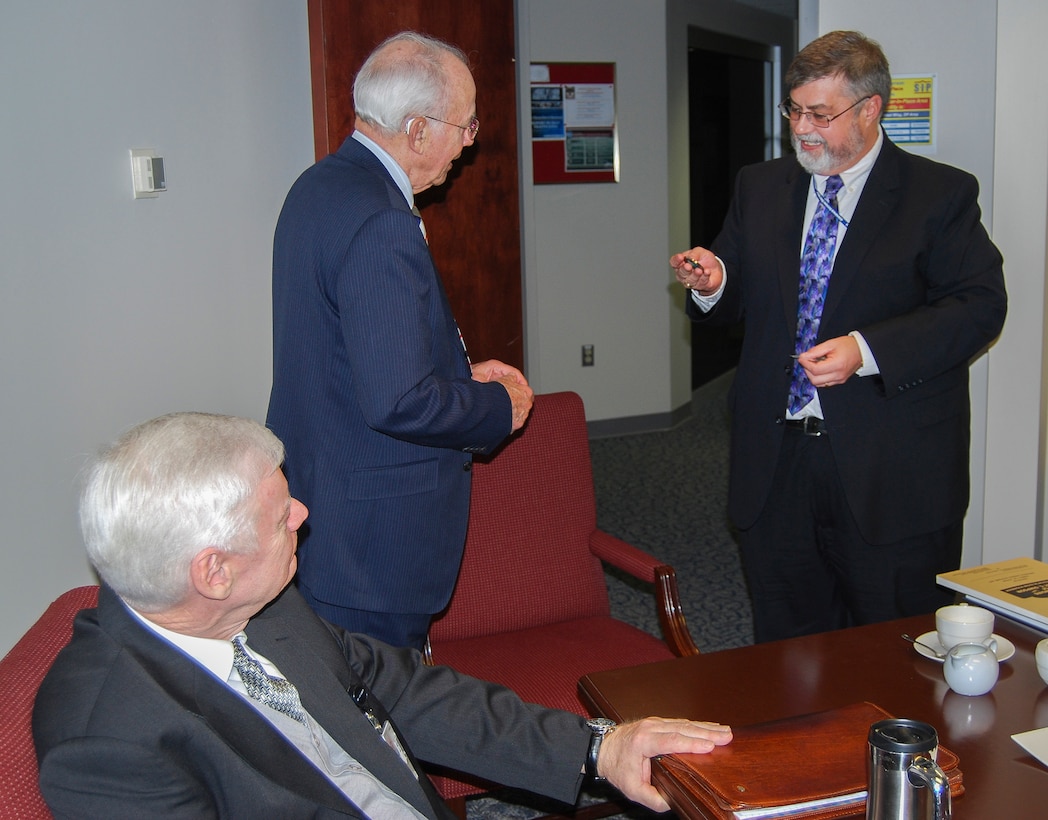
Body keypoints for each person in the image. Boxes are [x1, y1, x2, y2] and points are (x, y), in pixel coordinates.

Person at [33, 412, 732, 818]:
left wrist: (596, 748)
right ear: (213, 571)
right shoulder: (109, 746)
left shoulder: (260, 612)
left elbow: (403, 690)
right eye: (282, 519)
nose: (304, 518)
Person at [670, 30, 1006, 643]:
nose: (802, 128)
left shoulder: (939, 195)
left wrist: (867, 351)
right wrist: (715, 282)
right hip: (777, 462)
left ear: (871, 109)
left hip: (890, 467)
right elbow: (736, 290)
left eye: (820, 114)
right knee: (789, 647)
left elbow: (979, 307)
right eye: (794, 110)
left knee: (892, 648)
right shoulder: (761, 186)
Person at [265, 31, 534, 650]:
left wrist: (460, 375)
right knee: (382, 724)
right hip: (371, 541)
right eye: (465, 125)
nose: (469, 143)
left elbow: (348, 355)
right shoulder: (384, 220)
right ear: (417, 130)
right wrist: (500, 407)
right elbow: (398, 399)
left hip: (324, 502)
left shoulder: (317, 188)